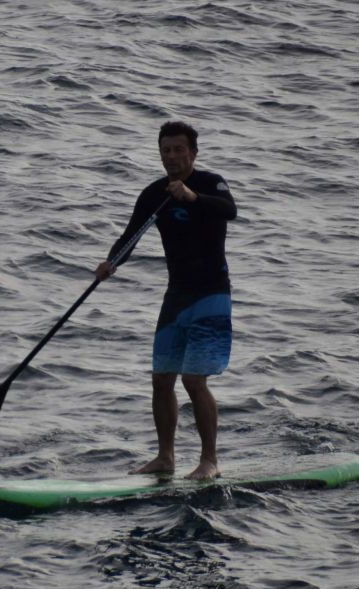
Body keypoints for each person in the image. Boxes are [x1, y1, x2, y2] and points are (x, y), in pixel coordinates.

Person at [94, 121, 237, 480]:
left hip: (211, 294)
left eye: (178, 149)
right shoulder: (153, 194)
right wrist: (112, 262)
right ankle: (165, 457)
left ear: (193, 153)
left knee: (193, 380)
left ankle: (209, 461)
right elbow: (130, 236)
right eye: (165, 150)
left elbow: (228, 210)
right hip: (176, 296)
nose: (171, 156)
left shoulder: (210, 183)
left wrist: (193, 199)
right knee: (161, 380)